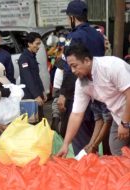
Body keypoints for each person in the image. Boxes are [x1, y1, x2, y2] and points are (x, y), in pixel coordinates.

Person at [57, 43, 130, 157]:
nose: (72, 70)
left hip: (126, 113)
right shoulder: (81, 83)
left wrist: (125, 123)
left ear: (87, 60)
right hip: (118, 115)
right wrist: (66, 144)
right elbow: (76, 115)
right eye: (70, 67)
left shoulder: (111, 66)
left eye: (75, 66)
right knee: (116, 148)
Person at [57, 0, 105, 154]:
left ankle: (85, 171)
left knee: (81, 138)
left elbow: (70, 67)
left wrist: (63, 94)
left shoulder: (74, 36)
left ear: (72, 17)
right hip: (100, 91)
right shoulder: (97, 35)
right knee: (96, 137)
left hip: (80, 90)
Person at [18, 32, 47, 121]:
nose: (38, 47)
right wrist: (36, 96)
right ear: (29, 44)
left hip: (36, 94)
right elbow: (28, 78)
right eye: (36, 44)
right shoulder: (24, 58)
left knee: (40, 120)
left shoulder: (32, 56)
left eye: (39, 44)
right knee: (32, 123)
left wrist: (42, 91)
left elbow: (36, 77)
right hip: (29, 96)